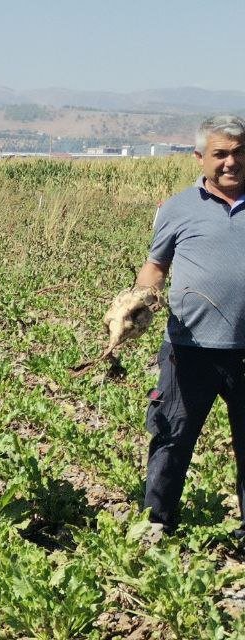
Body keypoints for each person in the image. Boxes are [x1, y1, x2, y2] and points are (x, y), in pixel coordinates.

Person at [139, 115, 245, 537]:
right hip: (189, 348)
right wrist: (142, 297)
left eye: (239, 153)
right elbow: (155, 266)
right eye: (220, 154)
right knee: (171, 440)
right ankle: (156, 525)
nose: (231, 162)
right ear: (200, 157)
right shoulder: (176, 208)